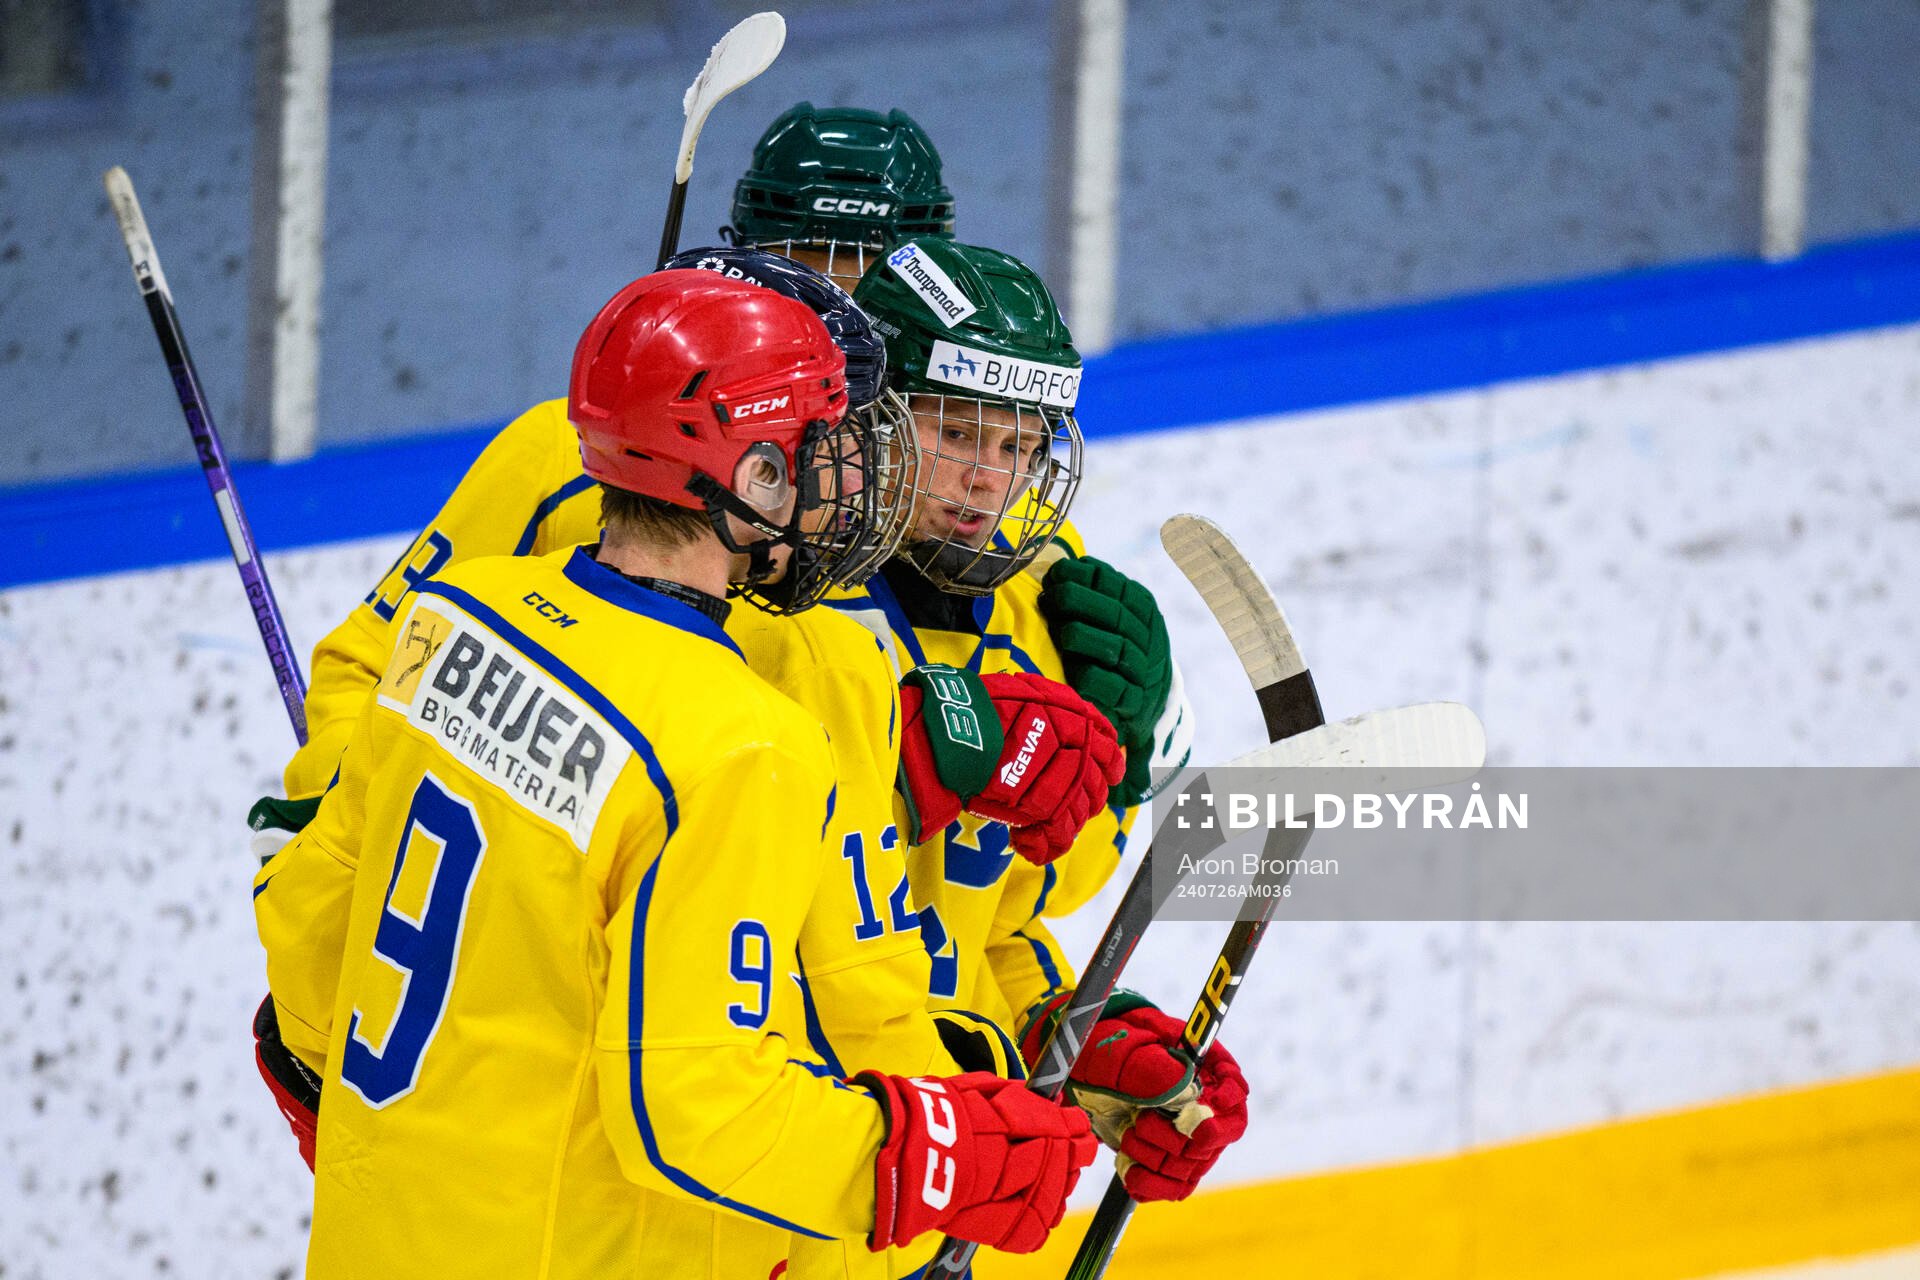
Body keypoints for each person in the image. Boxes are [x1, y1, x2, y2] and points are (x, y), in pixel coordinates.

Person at [252, 270, 1098, 1276]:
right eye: (824, 445)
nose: (846, 477)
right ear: (752, 475)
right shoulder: (742, 742)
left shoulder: (456, 615)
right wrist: (917, 1155)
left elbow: (307, 930)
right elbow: (694, 1110)